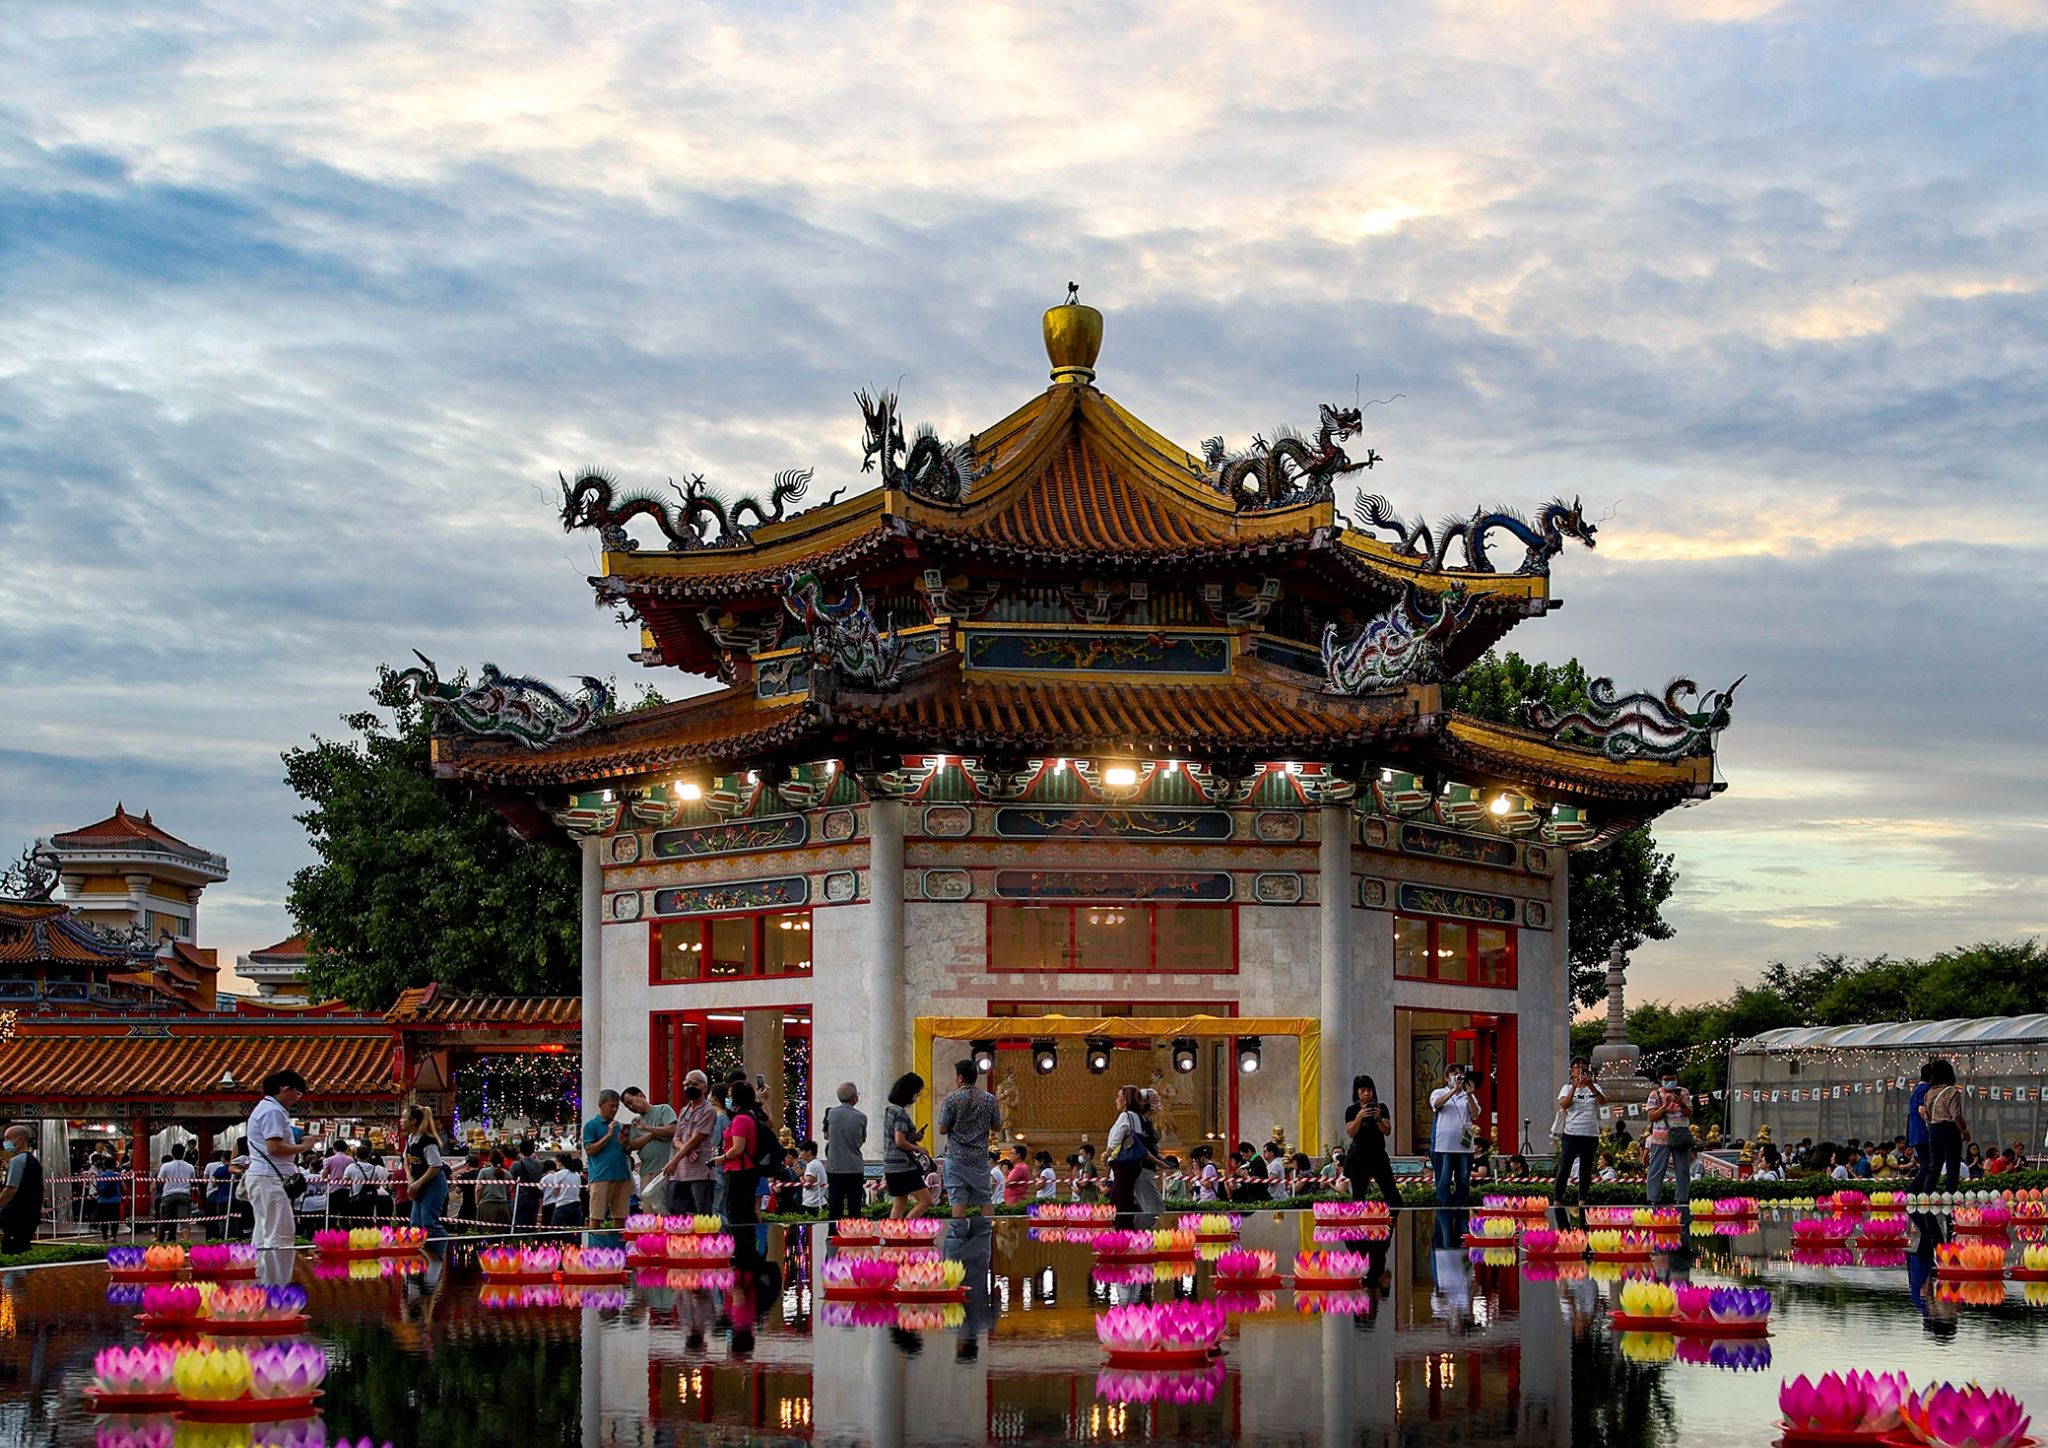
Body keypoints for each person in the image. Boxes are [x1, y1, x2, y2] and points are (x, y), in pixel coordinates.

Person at [244, 1069, 307, 1260]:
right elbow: (274, 1147)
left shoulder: (266, 1108)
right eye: (297, 1093)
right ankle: (277, 1274)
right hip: (270, 1178)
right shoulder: (273, 1111)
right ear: (285, 1089)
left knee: (264, 1231)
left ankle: (262, 1272)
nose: (296, 1099)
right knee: (279, 1233)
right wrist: (304, 1147)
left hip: (264, 1177)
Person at [936, 1059, 1001, 1221]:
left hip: (956, 1158)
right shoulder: (989, 1099)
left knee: (958, 1201)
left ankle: (959, 1235)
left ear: (960, 1077)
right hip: (979, 1159)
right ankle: (988, 1234)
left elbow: (942, 1129)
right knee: (985, 1200)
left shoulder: (951, 1099)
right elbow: (997, 1126)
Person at [713, 1080, 765, 1256]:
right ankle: (746, 1248)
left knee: (736, 1212)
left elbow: (738, 1148)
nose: (727, 1098)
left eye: (729, 1095)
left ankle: (741, 1249)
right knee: (744, 1211)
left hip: (738, 1170)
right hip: (745, 1170)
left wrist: (721, 1158)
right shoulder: (749, 1115)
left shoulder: (741, 1119)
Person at [662, 1071, 720, 1215]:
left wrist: (675, 1159)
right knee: (675, 1211)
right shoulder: (683, 1110)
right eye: (687, 1084)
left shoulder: (708, 1110)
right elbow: (676, 1139)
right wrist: (686, 1151)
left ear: (705, 1087)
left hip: (700, 1170)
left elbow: (697, 1138)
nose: (690, 1087)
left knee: (702, 1214)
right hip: (680, 1172)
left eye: (695, 1084)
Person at [1552, 1060, 1606, 1207]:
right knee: (1565, 1167)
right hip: (1571, 1133)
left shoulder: (1595, 1087)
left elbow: (1602, 1101)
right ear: (1572, 1070)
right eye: (1577, 1067)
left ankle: (1582, 1200)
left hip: (1590, 1133)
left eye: (1583, 1067)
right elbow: (1564, 1104)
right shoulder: (1567, 1088)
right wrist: (1574, 1087)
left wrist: (1590, 1085)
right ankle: (1557, 1200)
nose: (1580, 1070)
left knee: (1585, 1168)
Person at [1344, 1073, 1401, 1207]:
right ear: (1357, 1092)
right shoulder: (1352, 1110)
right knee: (1358, 1196)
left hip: (1378, 1155)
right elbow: (1351, 1132)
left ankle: (1391, 1218)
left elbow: (1387, 1131)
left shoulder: (1381, 1108)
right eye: (1362, 1090)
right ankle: (1360, 1218)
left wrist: (1378, 1118)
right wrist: (1359, 1117)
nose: (1366, 1094)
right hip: (1359, 1157)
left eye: (1369, 1090)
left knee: (1393, 1196)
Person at [1429, 1065, 1480, 1208]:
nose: (1458, 1076)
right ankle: (1443, 1210)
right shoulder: (1439, 1092)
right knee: (1443, 1181)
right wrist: (1454, 1090)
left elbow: (1475, 1114)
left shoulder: (1468, 1095)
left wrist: (1469, 1094)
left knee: (1463, 1181)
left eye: (1461, 1074)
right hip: (1443, 1146)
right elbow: (1437, 1104)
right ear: (1447, 1077)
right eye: (1454, 1073)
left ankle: (1462, 1211)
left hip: (1464, 1147)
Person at [621, 1086, 678, 1215]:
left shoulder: (663, 1109)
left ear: (641, 1095)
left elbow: (672, 1130)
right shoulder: (636, 1123)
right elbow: (633, 1144)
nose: (631, 1107)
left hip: (665, 1169)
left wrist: (646, 1128)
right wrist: (653, 1133)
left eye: (631, 1102)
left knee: (665, 1211)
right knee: (648, 1213)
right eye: (627, 1106)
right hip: (646, 1170)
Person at [581, 1089, 631, 1229]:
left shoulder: (618, 1126)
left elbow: (625, 1150)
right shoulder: (591, 1125)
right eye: (611, 1106)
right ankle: (594, 1241)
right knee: (596, 1215)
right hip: (601, 1176)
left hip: (621, 1174)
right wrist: (608, 1136)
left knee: (620, 1215)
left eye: (617, 1106)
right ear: (601, 1105)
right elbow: (590, 1150)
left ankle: (618, 1241)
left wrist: (625, 1143)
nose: (614, 1110)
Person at [1644, 1072, 1695, 1206]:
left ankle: (1682, 1198)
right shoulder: (1654, 1095)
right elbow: (1652, 1117)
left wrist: (1681, 1103)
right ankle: (1653, 1198)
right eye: (1667, 1079)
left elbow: (1689, 1112)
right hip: (1660, 1137)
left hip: (1680, 1136)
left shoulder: (1683, 1092)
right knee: (1656, 1168)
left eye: (1673, 1079)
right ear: (1660, 1079)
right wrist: (1665, 1105)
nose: (1671, 1082)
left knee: (1683, 1169)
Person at [820, 1082, 868, 1223]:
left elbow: (826, 1135)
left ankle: (833, 1233)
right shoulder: (861, 1117)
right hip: (854, 1166)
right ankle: (854, 1233)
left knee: (835, 1208)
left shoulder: (830, 1113)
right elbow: (862, 1140)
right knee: (855, 1208)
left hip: (834, 1166)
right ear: (854, 1097)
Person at [402, 1104, 449, 1242]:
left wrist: (418, 1183)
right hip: (419, 1183)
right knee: (415, 1223)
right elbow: (406, 1160)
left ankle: (441, 1250)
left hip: (433, 1184)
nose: (401, 1120)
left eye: (404, 1117)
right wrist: (410, 1179)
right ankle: (418, 1250)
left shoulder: (427, 1140)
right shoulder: (410, 1138)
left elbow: (436, 1165)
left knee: (429, 1222)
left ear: (413, 1121)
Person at [1919, 1059, 1966, 1191]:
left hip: (1934, 1129)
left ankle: (1926, 1194)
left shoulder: (1928, 1093)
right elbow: (1956, 1115)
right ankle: (1950, 1194)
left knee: (1935, 1165)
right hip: (1949, 1129)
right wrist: (1964, 1130)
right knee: (1953, 1164)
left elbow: (1927, 1116)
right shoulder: (1952, 1091)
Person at [1105, 1085, 1148, 1227]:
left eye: (1119, 1097)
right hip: (1133, 1164)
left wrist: (1107, 1153)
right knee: (1120, 1198)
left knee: (1121, 1201)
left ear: (1126, 1100)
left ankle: (1124, 1230)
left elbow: (1117, 1137)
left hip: (1124, 1165)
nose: (1116, 1100)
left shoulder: (1125, 1116)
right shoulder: (1137, 1117)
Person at [0, 1125, 43, 1255]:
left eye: (8, 1138)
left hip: (16, 1216)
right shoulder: (33, 1161)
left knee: (11, 1250)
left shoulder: (17, 1161)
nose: (5, 1142)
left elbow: (11, 1189)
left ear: (20, 1140)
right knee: (22, 1248)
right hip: (30, 1215)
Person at [343, 1143, 388, 1227]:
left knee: (355, 1221)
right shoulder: (374, 1168)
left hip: (355, 1197)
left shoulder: (351, 1167)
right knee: (368, 1220)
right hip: (370, 1198)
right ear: (368, 1156)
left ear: (356, 1156)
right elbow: (377, 1186)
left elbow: (344, 1183)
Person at [542, 1153, 584, 1227]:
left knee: (555, 1228)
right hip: (576, 1204)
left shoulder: (559, 1174)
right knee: (574, 1229)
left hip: (563, 1204)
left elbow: (556, 1191)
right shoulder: (576, 1174)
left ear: (560, 1163)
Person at [90, 1153, 123, 1241]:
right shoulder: (117, 1175)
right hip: (115, 1200)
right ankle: (113, 1236)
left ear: (104, 1165)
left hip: (102, 1200)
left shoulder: (101, 1176)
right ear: (114, 1165)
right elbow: (123, 1187)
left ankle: (104, 1237)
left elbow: (97, 1187)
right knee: (115, 1219)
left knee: (103, 1219)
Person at [203, 1148, 234, 1241]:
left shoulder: (210, 1165)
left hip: (212, 1193)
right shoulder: (231, 1167)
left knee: (211, 1218)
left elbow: (205, 1180)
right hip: (228, 1194)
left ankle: (210, 1238)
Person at [476, 1149, 512, 1229]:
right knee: (501, 1231)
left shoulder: (484, 1172)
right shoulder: (507, 1174)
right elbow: (509, 1188)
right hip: (503, 1205)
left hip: (487, 1205)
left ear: (490, 1159)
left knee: (487, 1231)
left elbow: (478, 1188)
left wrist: (477, 1202)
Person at [798, 1140, 827, 1213]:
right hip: (818, 1201)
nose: (800, 1154)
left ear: (809, 1152)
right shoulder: (817, 1163)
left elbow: (808, 1186)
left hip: (812, 1204)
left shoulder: (812, 1165)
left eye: (802, 1151)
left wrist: (800, 1175)